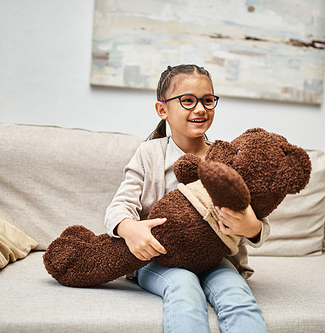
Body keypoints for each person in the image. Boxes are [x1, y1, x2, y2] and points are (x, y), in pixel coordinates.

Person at [104, 64, 269, 333]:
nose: (200, 109)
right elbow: (119, 206)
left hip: (216, 260)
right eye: (188, 101)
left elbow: (259, 219)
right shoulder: (149, 154)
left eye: (207, 100)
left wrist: (252, 227)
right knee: (184, 287)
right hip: (160, 260)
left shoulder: (226, 158)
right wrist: (128, 227)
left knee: (238, 297)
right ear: (163, 109)